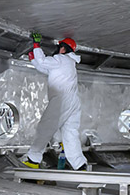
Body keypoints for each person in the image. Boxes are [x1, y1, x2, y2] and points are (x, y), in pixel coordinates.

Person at [21, 34, 87, 171]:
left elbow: (44, 61)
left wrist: (36, 46)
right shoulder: (69, 63)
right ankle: (80, 165)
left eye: (59, 47)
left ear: (63, 49)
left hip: (61, 100)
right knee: (70, 134)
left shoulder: (61, 59)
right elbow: (46, 69)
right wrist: (34, 60)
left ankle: (33, 159)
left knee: (45, 128)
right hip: (73, 102)